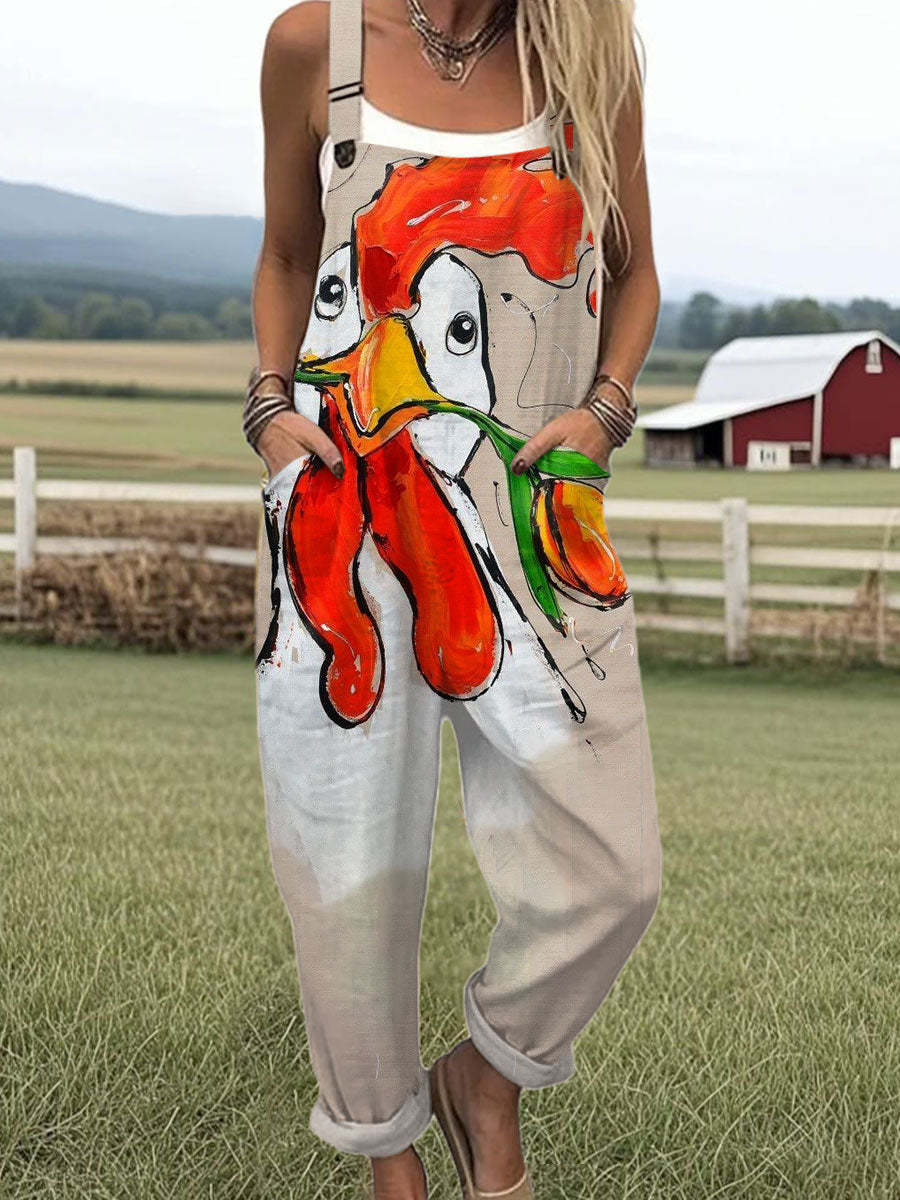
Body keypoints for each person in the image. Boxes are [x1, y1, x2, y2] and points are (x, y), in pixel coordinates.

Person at [246, 1, 662, 1196]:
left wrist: (607, 411)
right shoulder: (315, 45)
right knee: (346, 859)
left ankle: (486, 1077)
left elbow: (633, 272)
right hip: (339, 511)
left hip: (533, 511)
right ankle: (388, 1151)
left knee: (615, 870)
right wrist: (269, 408)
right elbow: (288, 257)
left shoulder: (587, 57)